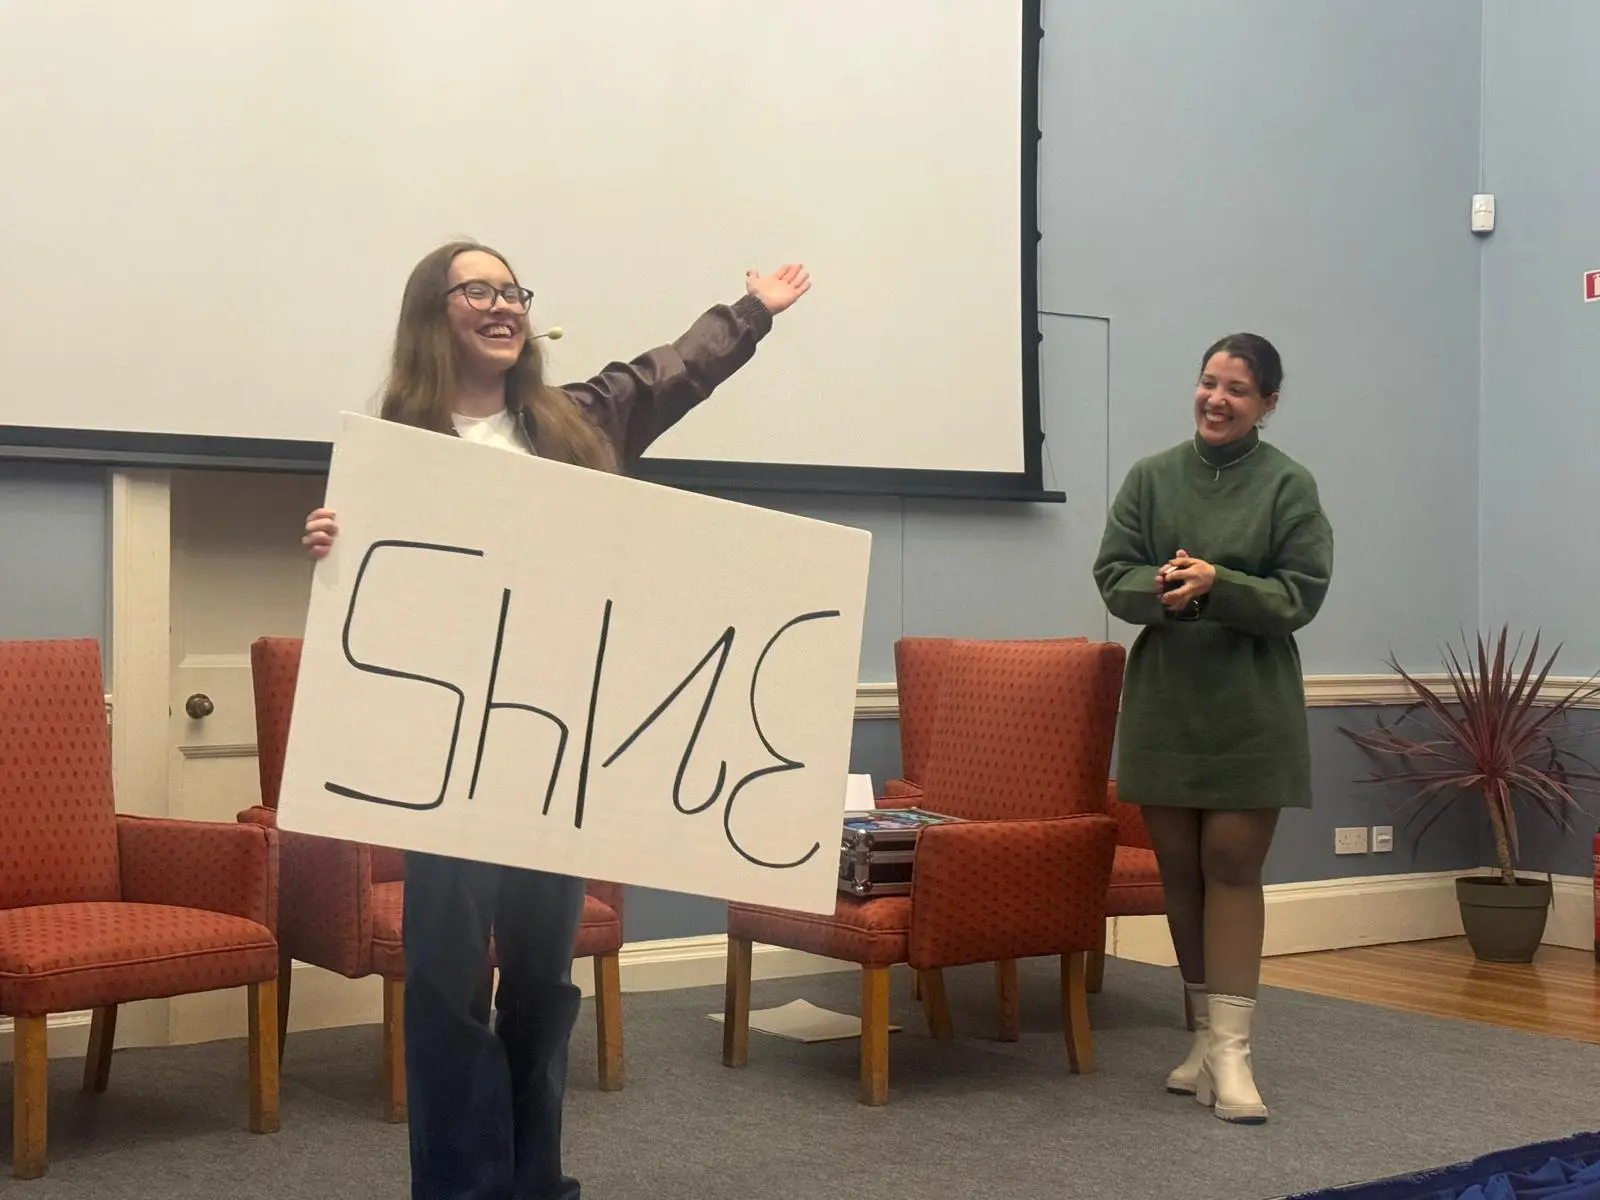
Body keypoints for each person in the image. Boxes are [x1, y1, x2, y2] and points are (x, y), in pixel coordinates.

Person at [301, 239, 811, 1198]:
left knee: (543, 984)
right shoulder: (395, 447)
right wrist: (334, 540)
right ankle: (464, 1189)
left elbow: (672, 371)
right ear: (433, 313)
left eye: (513, 291)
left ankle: (537, 1184)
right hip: (447, 757)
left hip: (555, 748)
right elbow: (380, 596)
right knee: (448, 988)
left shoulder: (580, 420)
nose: (504, 305)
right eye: (478, 290)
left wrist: (751, 313)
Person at [1091, 333, 1333, 1125]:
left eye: (1236, 389)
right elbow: (1113, 574)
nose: (1216, 400)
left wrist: (1218, 583)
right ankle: (1200, 1038)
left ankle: (1233, 1056)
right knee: (1180, 872)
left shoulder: (1289, 484)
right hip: (1166, 699)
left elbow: (1300, 594)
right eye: (1208, 383)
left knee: (1231, 863)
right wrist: (1167, 584)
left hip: (1250, 703)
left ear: (1268, 403)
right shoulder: (1151, 476)